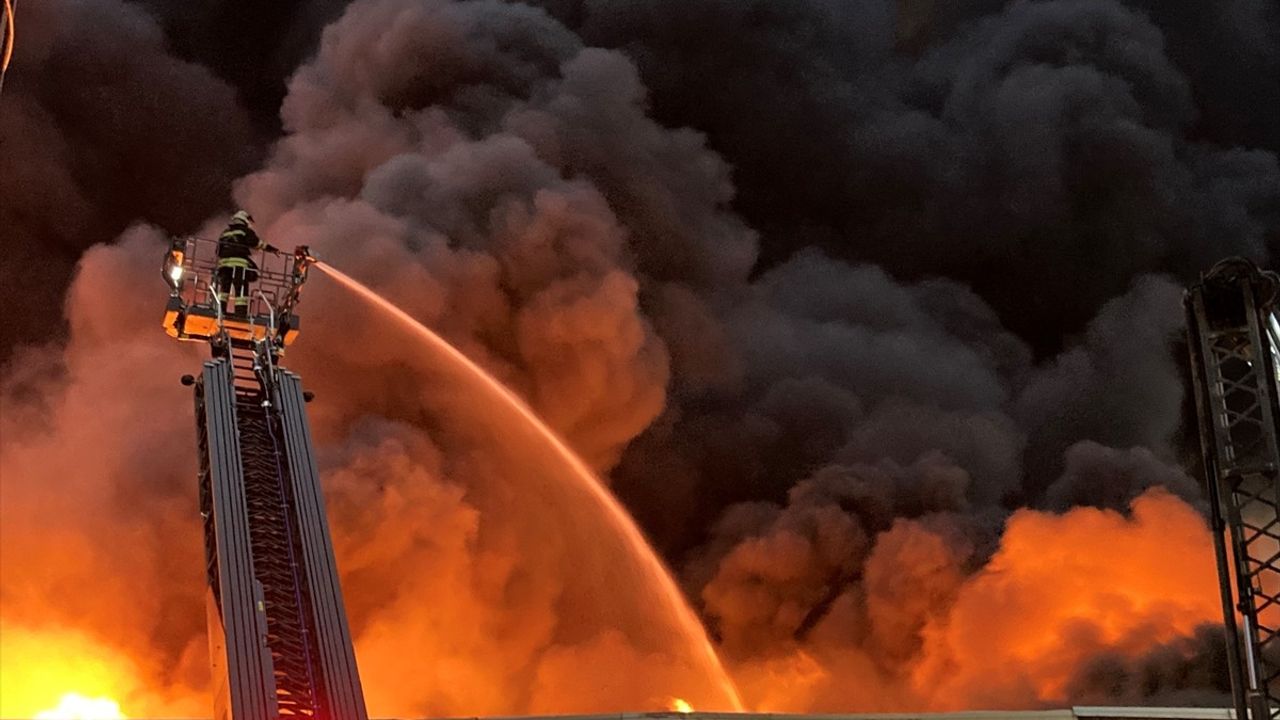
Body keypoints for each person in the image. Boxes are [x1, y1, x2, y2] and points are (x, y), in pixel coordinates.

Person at [215, 210, 277, 316]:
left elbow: (217, 251)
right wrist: (272, 249)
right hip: (239, 265)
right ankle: (240, 313)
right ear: (244, 219)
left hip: (224, 266)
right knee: (241, 290)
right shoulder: (245, 231)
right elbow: (257, 243)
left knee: (224, 290)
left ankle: (220, 311)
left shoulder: (225, 232)